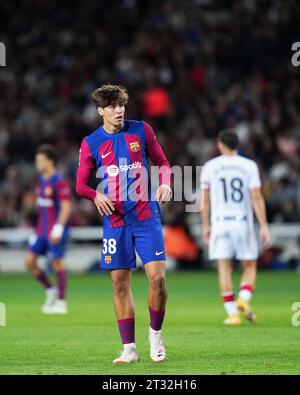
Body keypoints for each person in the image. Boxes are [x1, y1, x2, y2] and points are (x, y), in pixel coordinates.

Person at [76, 84, 172, 363]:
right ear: (100, 111)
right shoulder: (91, 143)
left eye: (121, 105)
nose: (119, 111)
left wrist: (165, 184)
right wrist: (96, 195)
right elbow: (81, 185)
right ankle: (129, 348)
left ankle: (155, 334)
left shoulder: (142, 130)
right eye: (112, 107)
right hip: (115, 222)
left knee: (158, 278)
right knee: (119, 283)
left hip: (145, 216)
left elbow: (163, 163)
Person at [200, 130, 271, 325]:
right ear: (237, 145)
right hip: (242, 222)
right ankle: (244, 298)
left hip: (220, 222)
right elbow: (256, 197)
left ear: (220, 144)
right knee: (249, 265)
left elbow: (204, 201)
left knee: (224, 268)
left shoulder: (210, 167)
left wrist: (206, 226)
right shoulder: (249, 166)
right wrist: (264, 226)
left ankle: (232, 314)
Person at [25, 144, 72, 314]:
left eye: (41, 160)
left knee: (56, 263)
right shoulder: (41, 181)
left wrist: (58, 228)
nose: (38, 163)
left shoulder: (59, 181)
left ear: (50, 161)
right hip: (41, 231)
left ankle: (61, 302)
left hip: (55, 230)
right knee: (29, 261)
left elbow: (66, 207)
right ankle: (50, 290)